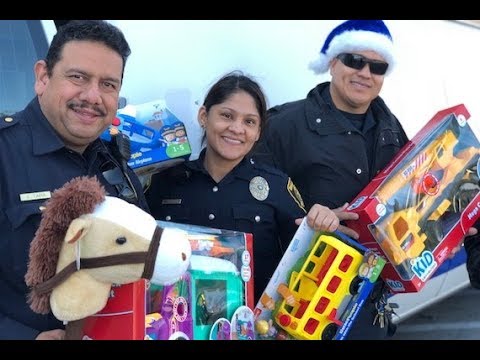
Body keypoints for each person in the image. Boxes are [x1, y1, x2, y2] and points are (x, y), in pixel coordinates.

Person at [253, 19, 480, 339]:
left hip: (368, 302)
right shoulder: (283, 125)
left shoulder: (390, 128)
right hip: (301, 303)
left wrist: (444, 231)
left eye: (377, 67)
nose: (365, 73)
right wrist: (310, 222)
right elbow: (253, 208)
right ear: (332, 62)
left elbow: (413, 203)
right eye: (354, 60)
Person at [0, 20, 148, 340]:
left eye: (108, 84)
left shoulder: (115, 162)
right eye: (78, 77)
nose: (92, 96)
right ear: (43, 77)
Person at [145, 71, 340, 304]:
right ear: (204, 116)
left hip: (253, 326)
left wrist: (322, 226)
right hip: (175, 325)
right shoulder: (164, 181)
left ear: (258, 132)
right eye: (227, 115)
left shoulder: (277, 186)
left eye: (249, 122)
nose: (237, 129)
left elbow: (305, 258)